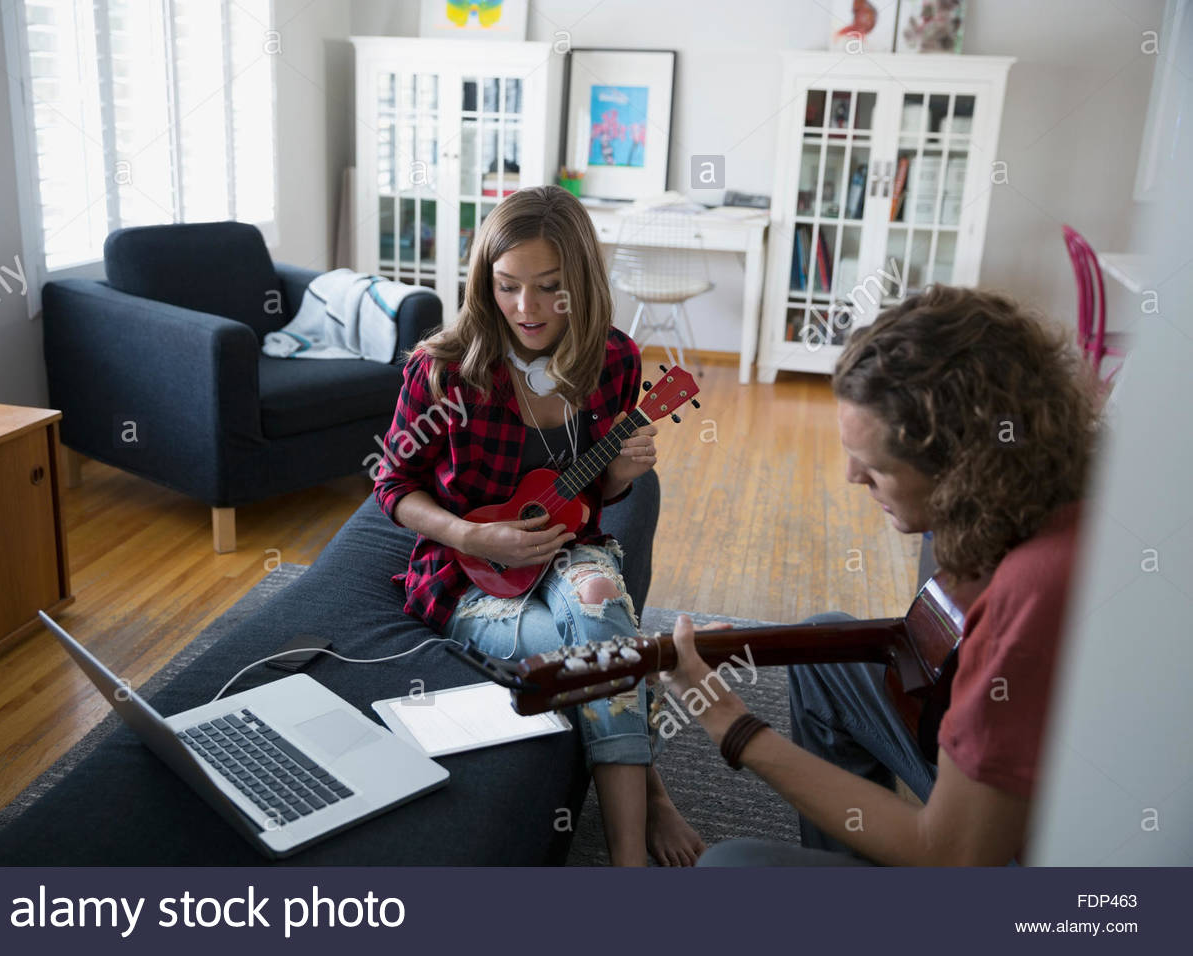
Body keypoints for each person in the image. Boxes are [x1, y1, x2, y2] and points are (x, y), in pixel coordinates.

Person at [662, 285, 1098, 866]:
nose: (850, 477)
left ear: (963, 466)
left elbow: (951, 854)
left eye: (875, 466)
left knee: (726, 869)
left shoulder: (1033, 590)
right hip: (1020, 794)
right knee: (824, 654)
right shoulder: (1050, 487)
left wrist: (728, 722)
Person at [373, 185, 704, 867]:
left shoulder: (613, 359)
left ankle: (625, 861)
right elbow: (391, 483)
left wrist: (621, 471)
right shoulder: (443, 369)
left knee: (599, 607)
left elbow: (596, 499)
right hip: (470, 575)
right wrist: (469, 535)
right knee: (599, 646)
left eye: (549, 288)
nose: (525, 309)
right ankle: (652, 799)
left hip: (571, 552)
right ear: (483, 281)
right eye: (506, 286)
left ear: (578, 283)